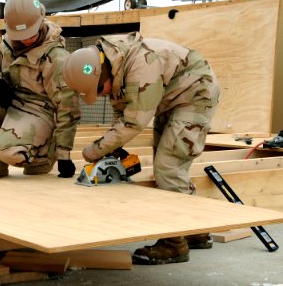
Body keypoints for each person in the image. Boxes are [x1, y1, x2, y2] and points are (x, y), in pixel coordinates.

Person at [63, 32, 220, 265]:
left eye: (99, 89)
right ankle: (195, 229)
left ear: (101, 72)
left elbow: (133, 122)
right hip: (171, 98)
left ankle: (174, 243)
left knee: (167, 165)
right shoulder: (113, 65)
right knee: (167, 165)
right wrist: (110, 146)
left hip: (195, 95)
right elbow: (121, 114)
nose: (101, 95)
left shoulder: (139, 67)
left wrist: (94, 150)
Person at [0, 0, 80, 179]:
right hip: (13, 105)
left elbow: (67, 108)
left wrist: (64, 154)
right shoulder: (6, 47)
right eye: (22, 35)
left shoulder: (57, 58)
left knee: (6, 150)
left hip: (40, 112)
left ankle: (44, 156)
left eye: (31, 33)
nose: (27, 39)